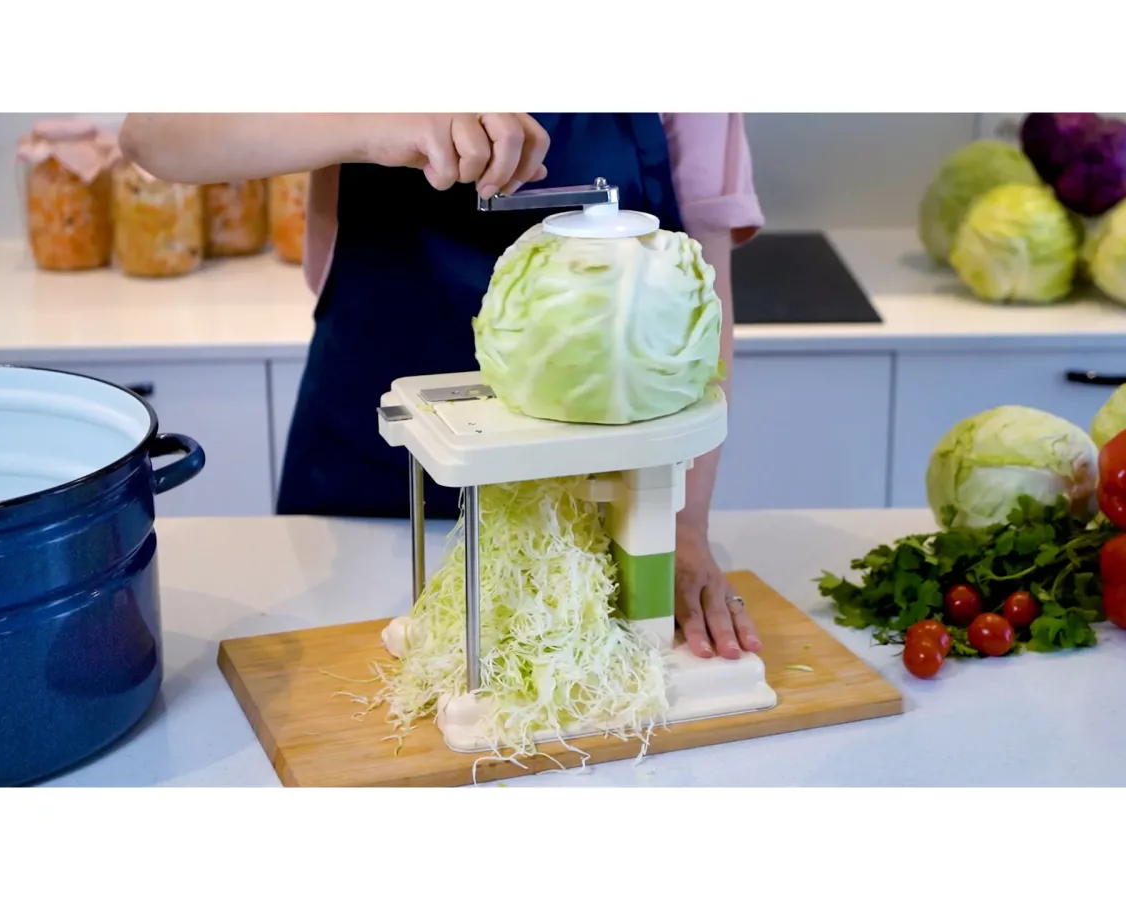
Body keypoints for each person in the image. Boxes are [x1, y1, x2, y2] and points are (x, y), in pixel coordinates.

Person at [119, 113, 766, 660]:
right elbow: (157, 137)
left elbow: (703, 306)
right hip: (369, 482)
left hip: (601, 513)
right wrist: (376, 122)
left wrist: (683, 528)